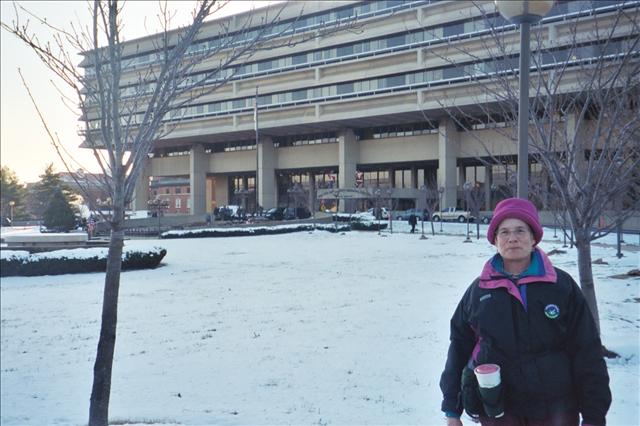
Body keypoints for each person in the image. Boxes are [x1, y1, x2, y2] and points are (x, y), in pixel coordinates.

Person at [440, 198, 611, 426]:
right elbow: (459, 347)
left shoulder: (561, 286)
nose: (512, 238)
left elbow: (587, 350)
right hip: (499, 412)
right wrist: (452, 409)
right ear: (495, 240)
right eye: (504, 232)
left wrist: (594, 415)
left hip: (557, 411)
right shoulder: (479, 291)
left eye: (520, 230)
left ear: (533, 238)